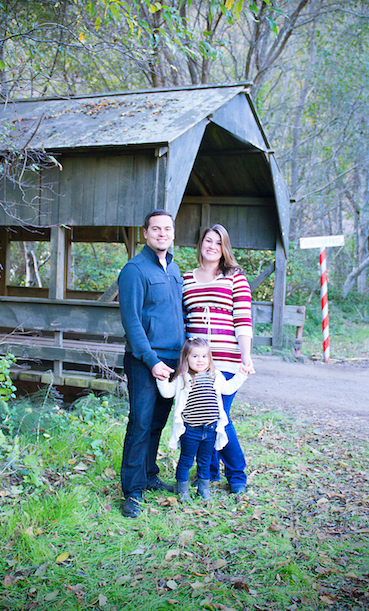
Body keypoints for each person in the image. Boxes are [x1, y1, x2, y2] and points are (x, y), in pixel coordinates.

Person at [117, 209, 185, 518]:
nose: (161, 233)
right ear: (145, 233)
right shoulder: (134, 270)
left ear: (172, 233)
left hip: (174, 360)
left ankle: (149, 474)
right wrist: (151, 360)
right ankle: (132, 490)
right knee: (141, 422)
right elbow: (131, 322)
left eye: (166, 229)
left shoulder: (174, 269)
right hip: (146, 360)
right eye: (155, 229)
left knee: (157, 422)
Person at [182, 224, 255, 494]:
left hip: (225, 359)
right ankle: (209, 472)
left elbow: (243, 319)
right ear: (201, 244)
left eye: (218, 242)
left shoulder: (234, 277)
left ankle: (237, 474)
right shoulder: (187, 278)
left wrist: (245, 356)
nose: (212, 246)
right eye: (208, 241)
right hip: (196, 361)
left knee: (218, 417)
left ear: (224, 248)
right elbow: (182, 319)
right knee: (200, 417)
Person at [157, 338, 247, 502]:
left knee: (205, 461)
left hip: (211, 429)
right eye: (195, 356)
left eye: (204, 357)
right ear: (186, 358)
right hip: (190, 430)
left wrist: (241, 375)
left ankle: (203, 489)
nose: (200, 360)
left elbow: (228, 388)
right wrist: (162, 379)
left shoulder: (216, 376)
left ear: (210, 358)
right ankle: (183, 490)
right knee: (186, 460)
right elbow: (168, 393)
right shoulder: (183, 377)